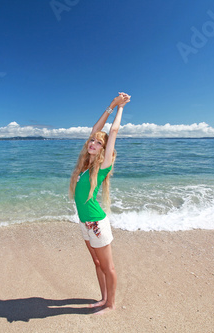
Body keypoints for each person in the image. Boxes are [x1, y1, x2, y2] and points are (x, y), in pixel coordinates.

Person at [69, 92, 131, 314]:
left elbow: (112, 131)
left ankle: (111, 304)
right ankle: (103, 298)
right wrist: (108, 109)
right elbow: (95, 129)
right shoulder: (86, 166)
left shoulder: (102, 166)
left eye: (98, 142)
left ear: (105, 150)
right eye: (91, 141)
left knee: (108, 266)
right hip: (85, 223)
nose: (93, 143)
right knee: (97, 264)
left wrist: (118, 106)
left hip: (96, 223)